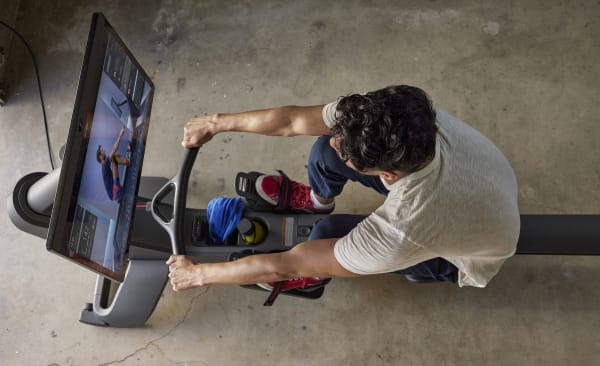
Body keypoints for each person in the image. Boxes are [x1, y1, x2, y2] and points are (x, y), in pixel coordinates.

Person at [166, 85, 520, 292]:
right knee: (324, 151)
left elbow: (289, 264)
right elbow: (292, 120)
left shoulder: (406, 228)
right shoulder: (396, 112)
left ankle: (331, 264)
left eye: (351, 156)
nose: (338, 142)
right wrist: (216, 123)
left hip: (465, 255)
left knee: (324, 236)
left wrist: (199, 274)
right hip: (481, 179)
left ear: (389, 175)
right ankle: (319, 200)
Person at [97, 127, 130, 202]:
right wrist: (120, 135)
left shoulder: (104, 166)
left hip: (115, 192)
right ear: (100, 156)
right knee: (113, 156)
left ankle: (128, 162)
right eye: (102, 151)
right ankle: (128, 162)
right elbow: (114, 149)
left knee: (113, 158)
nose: (104, 151)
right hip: (115, 193)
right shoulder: (104, 165)